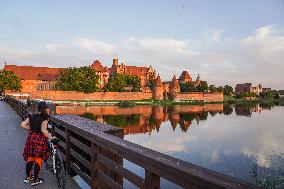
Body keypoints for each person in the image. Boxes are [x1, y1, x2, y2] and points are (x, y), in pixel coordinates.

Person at [21, 101, 55, 186]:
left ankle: (28, 177)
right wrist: (51, 137)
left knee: (30, 157)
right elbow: (44, 131)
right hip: (39, 139)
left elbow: (22, 124)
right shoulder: (44, 118)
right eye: (47, 108)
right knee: (38, 158)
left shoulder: (32, 116)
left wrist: (31, 127)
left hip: (31, 138)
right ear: (45, 109)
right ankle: (36, 179)